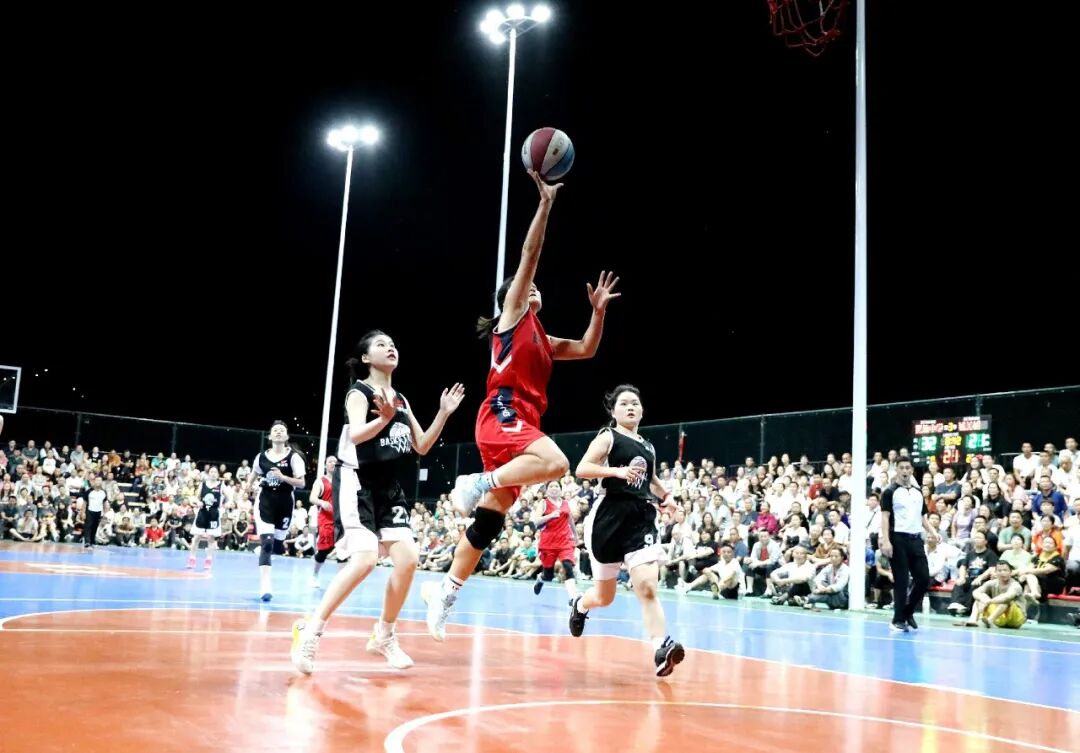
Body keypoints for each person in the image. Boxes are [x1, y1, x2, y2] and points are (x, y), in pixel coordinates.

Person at [423, 172, 621, 640]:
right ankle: (477, 481)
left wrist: (597, 313)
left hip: (522, 422)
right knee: (558, 462)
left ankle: (444, 593)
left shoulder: (544, 340)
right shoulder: (512, 317)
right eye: (524, 286)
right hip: (502, 412)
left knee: (488, 524)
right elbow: (529, 255)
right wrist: (545, 204)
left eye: (533, 287)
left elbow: (587, 348)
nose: (532, 287)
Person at [291, 331, 464, 673]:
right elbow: (356, 435)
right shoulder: (359, 392)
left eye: (393, 344)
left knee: (408, 558)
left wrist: (443, 413)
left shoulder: (401, 399)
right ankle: (310, 631)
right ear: (367, 358)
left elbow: (422, 445)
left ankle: (384, 635)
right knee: (365, 559)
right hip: (356, 481)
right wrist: (384, 419)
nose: (391, 347)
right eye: (381, 344)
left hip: (387, 487)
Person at [568, 385, 685, 677]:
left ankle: (660, 648)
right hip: (608, 518)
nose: (631, 407)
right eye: (624, 403)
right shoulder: (608, 437)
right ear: (613, 411)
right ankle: (580, 605)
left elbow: (652, 479)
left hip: (640, 518)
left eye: (635, 403)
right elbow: (582, 468)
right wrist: (615, 471)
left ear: (642, 410)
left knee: (647, 586)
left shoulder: (648, 446)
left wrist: (667, 498)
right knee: (604, 597)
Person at [248, 421, 307, 601]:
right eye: (275, 430)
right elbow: (254, 474)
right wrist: (248, 486)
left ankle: (264, 550)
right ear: (270, 436)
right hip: (265, 500)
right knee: (267, 542)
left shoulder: (294, 458)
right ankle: (265, 586)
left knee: (278, 546)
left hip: (285, 502)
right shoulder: (261, 457)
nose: (279, 432)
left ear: (287, 436)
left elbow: (301, 483)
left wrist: (283, 477)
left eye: (282, 430)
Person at [880, 457, 935, 633]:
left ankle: (908, 610)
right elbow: (885, 517)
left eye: (908, 468)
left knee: (923, 579)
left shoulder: (918, 492)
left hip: (916, 539)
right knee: (902, 581)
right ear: (897, 470)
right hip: (898, 539)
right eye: (901, 468)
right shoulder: (889, 492)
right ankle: (898, 620)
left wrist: (933, 532)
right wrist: (886, 540)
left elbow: (922, 517)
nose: (905, 471)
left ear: (912, 470)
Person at [532, 480, 579, 602]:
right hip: (548, 542)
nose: (554, 488)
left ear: (560, 489)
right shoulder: (543, 503)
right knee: (549, 575)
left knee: (568, 566)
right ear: (547, 490)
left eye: (557, 486)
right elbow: (536, 521)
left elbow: (570, 520)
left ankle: (573, 597)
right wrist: (550, 515)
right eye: (551, 486)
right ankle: (541, 579)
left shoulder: (565, 503)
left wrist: (575, 535)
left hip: (565, 540)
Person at [187, 466, 226, 571]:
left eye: (215, 472)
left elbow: (230, 497)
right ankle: (192, 558)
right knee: (196, 537)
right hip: (202, 512)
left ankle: (208, 560)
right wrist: (198, 502)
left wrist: (227, 504)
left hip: (214, 514)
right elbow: (196, 497)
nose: (213, 473)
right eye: (211, 472)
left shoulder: (221, 485)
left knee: (211, 538)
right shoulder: (203, 484)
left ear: (218, 474)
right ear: (209, 474)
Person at [308, 456, 337, 588]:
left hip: (341, 519)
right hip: (326, 519)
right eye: (330, 461)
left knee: (343, 550)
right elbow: (312, 498)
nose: (333, 463)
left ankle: (341, 580)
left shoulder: (342, 481)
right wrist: (322, 502)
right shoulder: (320, 481)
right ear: (326, 465)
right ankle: (314, 574)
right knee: (324, 550)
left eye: (335, 462)